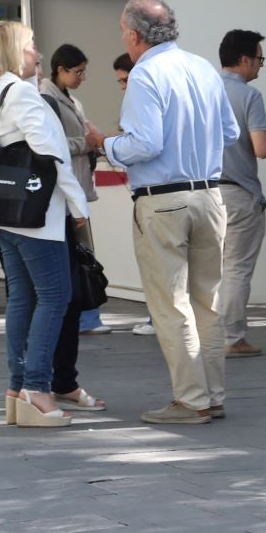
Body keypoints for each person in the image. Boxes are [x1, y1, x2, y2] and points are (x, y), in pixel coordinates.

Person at [103, 0, 239, 425]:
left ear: (133, 35)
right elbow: (230, 133)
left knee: (171, 303)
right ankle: (212, 396)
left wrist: (104, 144)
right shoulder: (202, 68)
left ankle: (192, 399)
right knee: (207, 301)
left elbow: (144, 144)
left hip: (164, 198)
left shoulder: (145, 74)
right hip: (209, 194)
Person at [0, 22, 91, 429]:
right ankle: (37, 391)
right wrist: (78, 206)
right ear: (15, 50)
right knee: (54, 297)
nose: (38, 54)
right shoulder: (20, 91)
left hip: (2, 216)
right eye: (32, 45)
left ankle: (17, 387)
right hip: (35, 218)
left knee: (22, 298)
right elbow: (52, 154)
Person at [41, 45, 110, 337]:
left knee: (83, 255)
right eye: (78, 72)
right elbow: (52, 144)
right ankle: (83, 317)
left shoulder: (70, 99)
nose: (82, 77)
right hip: (64, 193)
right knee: (78, 256)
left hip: (79, 188)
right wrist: (87, 144)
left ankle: (87, 316)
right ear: (61, 70)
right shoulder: (47, 99)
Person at [216, 29, 266, 359]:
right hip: (238, 192)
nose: (261, 66)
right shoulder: (250, 96)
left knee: (210, 269)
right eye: (260, 59)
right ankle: (233, 337)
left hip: (204, 193)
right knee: (236, 268)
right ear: (244, 60)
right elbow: (261, 148)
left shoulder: (201, 90)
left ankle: (207, 333)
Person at [107, 52, 159, 338]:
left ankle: (158, 320)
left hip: (156, 195)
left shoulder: (143, 96)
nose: (124, 86)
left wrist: (107, 145)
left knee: (156, 265)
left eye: (125, 79)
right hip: (197, 195)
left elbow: (143, 146)